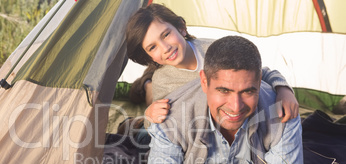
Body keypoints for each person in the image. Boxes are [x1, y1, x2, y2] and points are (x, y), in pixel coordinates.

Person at [144, 35, 305, 164]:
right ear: (204, 81)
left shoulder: (282, 113)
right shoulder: (171, 118)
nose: (235, 106)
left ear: (259, 82)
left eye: (247, 92)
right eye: (224, 91)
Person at [125, 4, 299, 126]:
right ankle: (135, 116)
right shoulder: (163, 80)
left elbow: (262, 73)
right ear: (149, 56)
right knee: (143, 134)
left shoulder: (216, 50)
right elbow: (158, 124)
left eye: (166, 35)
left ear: (181, 28)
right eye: (152, 47)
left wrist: (284, 90)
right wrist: (148, 116)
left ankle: (145, 84)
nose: (165, 47)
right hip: (162, 89)